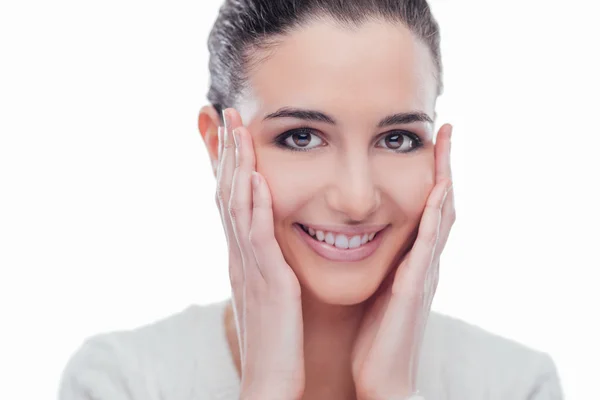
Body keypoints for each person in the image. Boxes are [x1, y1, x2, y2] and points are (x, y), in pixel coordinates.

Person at [58, 1, 563, 399]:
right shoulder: (120, 383)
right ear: (219, 146)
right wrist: (267, 388)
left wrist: (393, 394)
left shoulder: (516, 386)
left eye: (398, 138)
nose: (357, 199)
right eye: (301, 136)